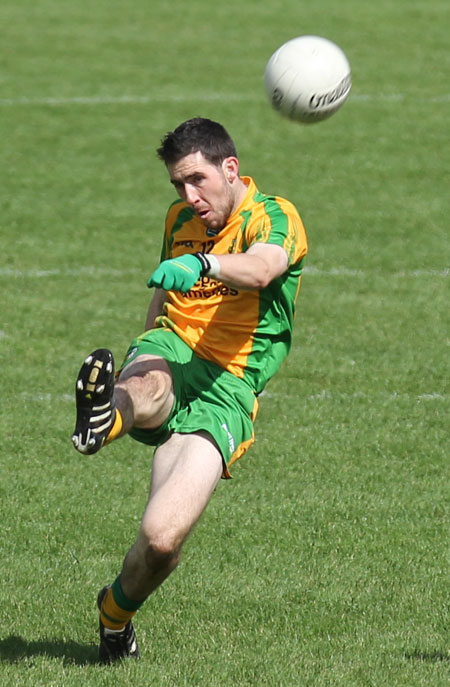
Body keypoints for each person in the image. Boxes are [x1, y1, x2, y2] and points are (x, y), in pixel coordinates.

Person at [71, 117, 308, 663]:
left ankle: (114, 615)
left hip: (229, 383)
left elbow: (263, 269)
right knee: (149, 381)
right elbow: (163, 293)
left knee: (160, 540)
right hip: (174, 348)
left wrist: (203, 262)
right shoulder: (180, 217)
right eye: (178, 184)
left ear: (231, 168)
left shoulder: (275, 216)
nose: (189, 195)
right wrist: (147, 338)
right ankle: (107, 418)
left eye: (197, 180)